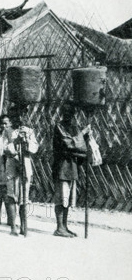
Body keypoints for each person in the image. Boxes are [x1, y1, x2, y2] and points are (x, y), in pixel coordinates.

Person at [52, 102, 89, 238]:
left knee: (67, 198)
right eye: (66, 112)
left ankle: (64, 226)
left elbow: (81, 147)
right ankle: (59, 227)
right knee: (61, 197)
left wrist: (84, 137)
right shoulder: (59, 127)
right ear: (62, 113)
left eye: (71, 112)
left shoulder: (74, 127)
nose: (68, 115)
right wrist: (82, 134)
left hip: (71, 166)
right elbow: (69, 143)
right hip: (62, 166)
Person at [4, 106, 39, 236]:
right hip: (12, 165)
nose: (17, 119)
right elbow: (5, 149)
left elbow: (34, 148)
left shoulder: (29, 131)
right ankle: (13, 227)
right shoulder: (7, 131)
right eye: (14, 116)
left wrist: (27, 140)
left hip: (25, 164)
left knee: (24, 198)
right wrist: (16, 142)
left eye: (19, 116)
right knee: (12, 196)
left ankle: (24, 227)